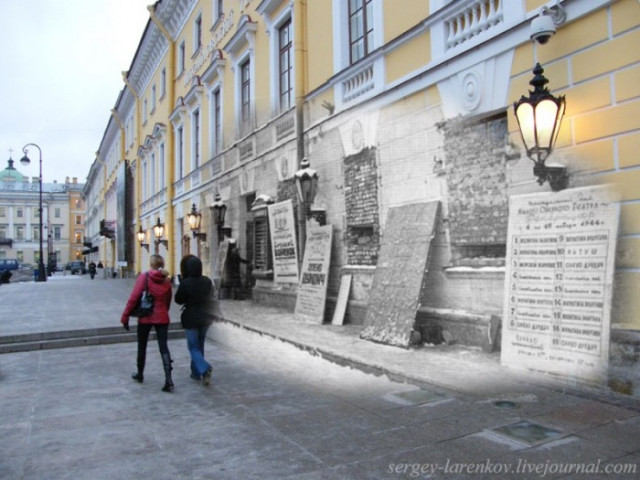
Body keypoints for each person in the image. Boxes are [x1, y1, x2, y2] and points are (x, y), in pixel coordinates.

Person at [121, 254, 174, 392]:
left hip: (145, 316)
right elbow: (168, 300)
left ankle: (140, 374)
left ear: (151, 264)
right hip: (162, 317)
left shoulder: (144, 277)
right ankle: (168, 379)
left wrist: (125, 316)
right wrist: (163, 311)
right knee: (163, 347)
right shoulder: (167, 280)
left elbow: (134, 297)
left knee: (142, 346)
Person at [174, 255, 216, 385]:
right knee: (200, 344)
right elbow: (212, 296)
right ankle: (196, 373)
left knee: (193, 346)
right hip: (205, 317)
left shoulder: (186, 282)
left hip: (191, 318)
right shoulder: (207, 281)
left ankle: (204, 368)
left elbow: (178, 300)